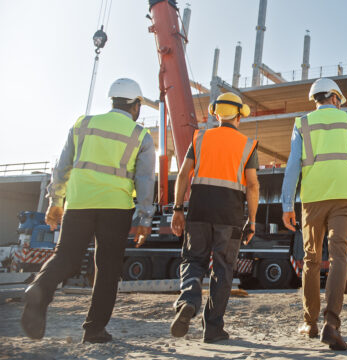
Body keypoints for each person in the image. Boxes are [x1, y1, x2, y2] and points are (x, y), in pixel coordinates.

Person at [21, 78, 156, 343]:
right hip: (115, 207)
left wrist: (55, 202)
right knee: (107, 268)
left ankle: (39, 288)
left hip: (79, 202)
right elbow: (145, 181)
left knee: (66, 257)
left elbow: (61, 167)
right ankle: (94, 330)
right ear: (136, 106)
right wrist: (143, 218)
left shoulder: (82, 124)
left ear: (112, 101)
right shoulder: (141, 135)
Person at [281, 78, 347, 350]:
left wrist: (287, 204)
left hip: (312, 199)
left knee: (310, 258)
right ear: (335, 98)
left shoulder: (302, 123)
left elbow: (292, 166)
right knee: (339, 257)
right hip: (345, 198)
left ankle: (309, 323)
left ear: (316, 99)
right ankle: (331, 324)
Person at [170, 92, 260, 343]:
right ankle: (213, 329)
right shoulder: (248, 145)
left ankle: (188, 300)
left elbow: (183, 174)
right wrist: (252, 220)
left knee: (193, 260)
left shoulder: (200, 138)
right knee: (222, 269)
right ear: (239, 116)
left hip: (199, 210)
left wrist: (177, 208)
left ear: (215, 113)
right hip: (229, 215)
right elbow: (252, 186)